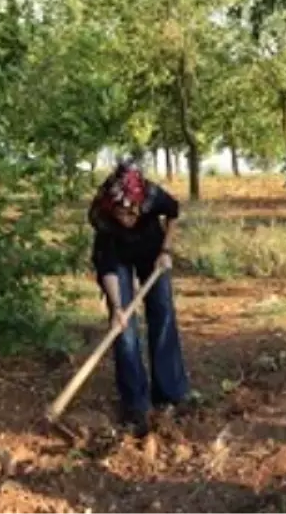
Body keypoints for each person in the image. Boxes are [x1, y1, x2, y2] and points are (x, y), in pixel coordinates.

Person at [88, 161, 190, 437]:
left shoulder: (153, 196)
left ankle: (170, 393)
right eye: (122, 214)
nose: (127, 220)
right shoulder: (102, 215)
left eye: (132, 214)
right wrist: (118, 308)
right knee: (124, 330)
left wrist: (166, 250)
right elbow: (107, 265)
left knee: (162, 311)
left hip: (152, 252)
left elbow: (174, 213)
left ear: (141, 205)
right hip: (117, 260)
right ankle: (136, 404)